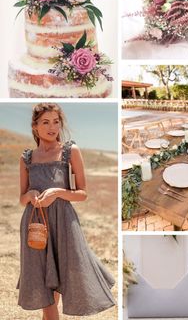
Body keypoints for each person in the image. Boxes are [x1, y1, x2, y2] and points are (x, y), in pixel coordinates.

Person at [18, 102, 115, 320]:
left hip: (64, 223)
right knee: (45, 288)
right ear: (35, 127)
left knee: (63, 279)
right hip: (36, 226)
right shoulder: (26, 158)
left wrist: (57, 192)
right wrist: (31, 194)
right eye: (45, 122)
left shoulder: (70, 151)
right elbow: (22, 199)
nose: (52, 127)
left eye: (56, 121)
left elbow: (82, 193)